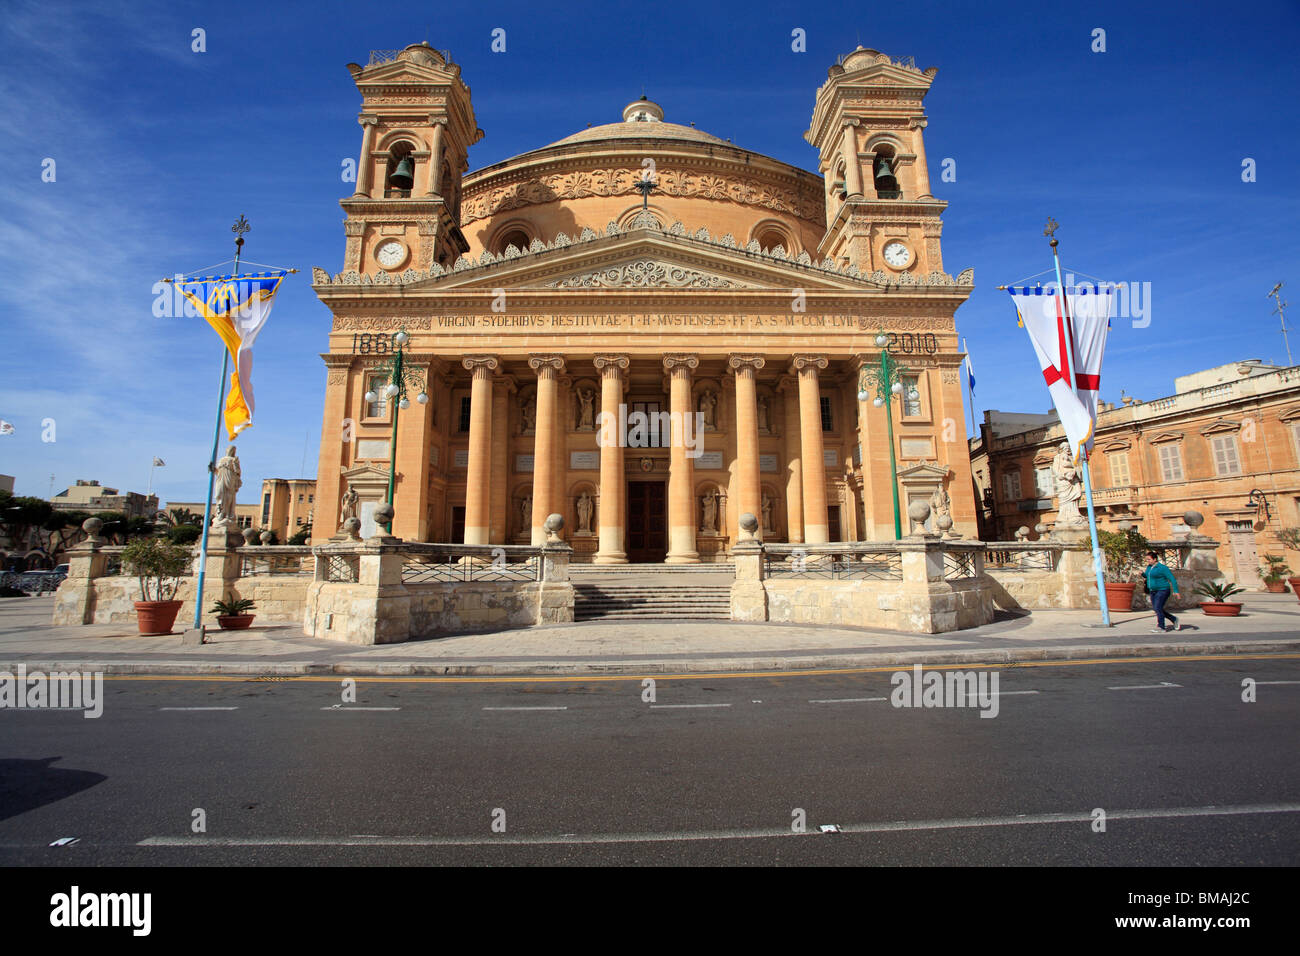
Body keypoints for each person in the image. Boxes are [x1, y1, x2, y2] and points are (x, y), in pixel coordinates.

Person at [1143, 550, 1182, 632]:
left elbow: (1172, 579)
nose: (1148, 561)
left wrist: (1176, 591)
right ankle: (1174, 619)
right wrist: (1142, 574)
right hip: (1153, 590)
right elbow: (1147, 575)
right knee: (1157, 608)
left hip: (1163, 590)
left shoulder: (1162, 568)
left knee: (1158, 607)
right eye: (1147, 560)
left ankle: (1161, 627)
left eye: (1149, 559)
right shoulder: (1149, 567)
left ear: (1155, 559)